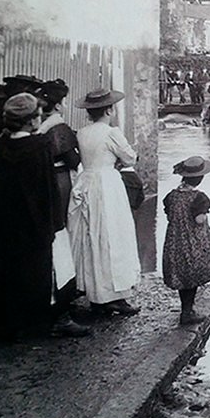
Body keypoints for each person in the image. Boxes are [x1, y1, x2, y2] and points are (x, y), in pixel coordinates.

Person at [0, 93, 71, 339]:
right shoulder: (40, 148)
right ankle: (33, 323)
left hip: (4, 222)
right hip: (33, 223)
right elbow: (48, 189)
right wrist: (54, 223)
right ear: (31, 122)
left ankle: (7, 323)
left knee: (5, 272)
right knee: (33, 272)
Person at [68, 89, 141, 315]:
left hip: (87, 180)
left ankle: (95, 293)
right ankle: (114, 295)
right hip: (107, 185)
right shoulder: (111, 133)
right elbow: (129, 157)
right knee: (113, 235)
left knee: (90, 236)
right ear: (109, 110)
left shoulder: (82, 133)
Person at [36, 79, 88, 334]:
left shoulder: (37, 127)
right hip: (59, 183)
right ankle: (61, 304)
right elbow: (73, 160)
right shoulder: (59, 128)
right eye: (64, 101)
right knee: (61, 236)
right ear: (58, 104)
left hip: (41, 184)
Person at [162, 156, 210, 325]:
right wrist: (203, 213)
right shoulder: (199, 198)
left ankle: (185, 309)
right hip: (193, 241)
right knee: (192, 274)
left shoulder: (171, 196)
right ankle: (187, 312)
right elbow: (199, 220)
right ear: (200, 179)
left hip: (175, 241)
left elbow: (169, 215)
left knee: (182, 275)